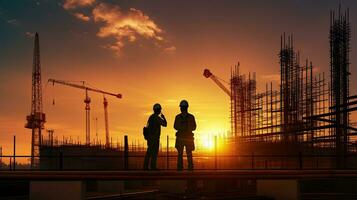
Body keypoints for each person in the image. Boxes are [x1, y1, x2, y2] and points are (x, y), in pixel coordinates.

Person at [143, 103, 167, 170]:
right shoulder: (157, 118)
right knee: (154, 153)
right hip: (155, 138)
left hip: (150, 138)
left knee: (149, 152)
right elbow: (165, 124)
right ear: (159, 110)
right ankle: (153, 167)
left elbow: (147, 127)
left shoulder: (151, 117)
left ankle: (145, 167)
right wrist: (163, 118)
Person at [174, 100, 196, 171]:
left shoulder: (178, 117)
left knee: (182, 153)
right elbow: (194, 127)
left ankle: (181, 168)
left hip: (183, 138)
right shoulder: (191, 117)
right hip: (187, 138)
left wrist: (182, 128)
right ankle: (189, 168)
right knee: (187, 153)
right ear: (187, 107)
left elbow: (175, 126)